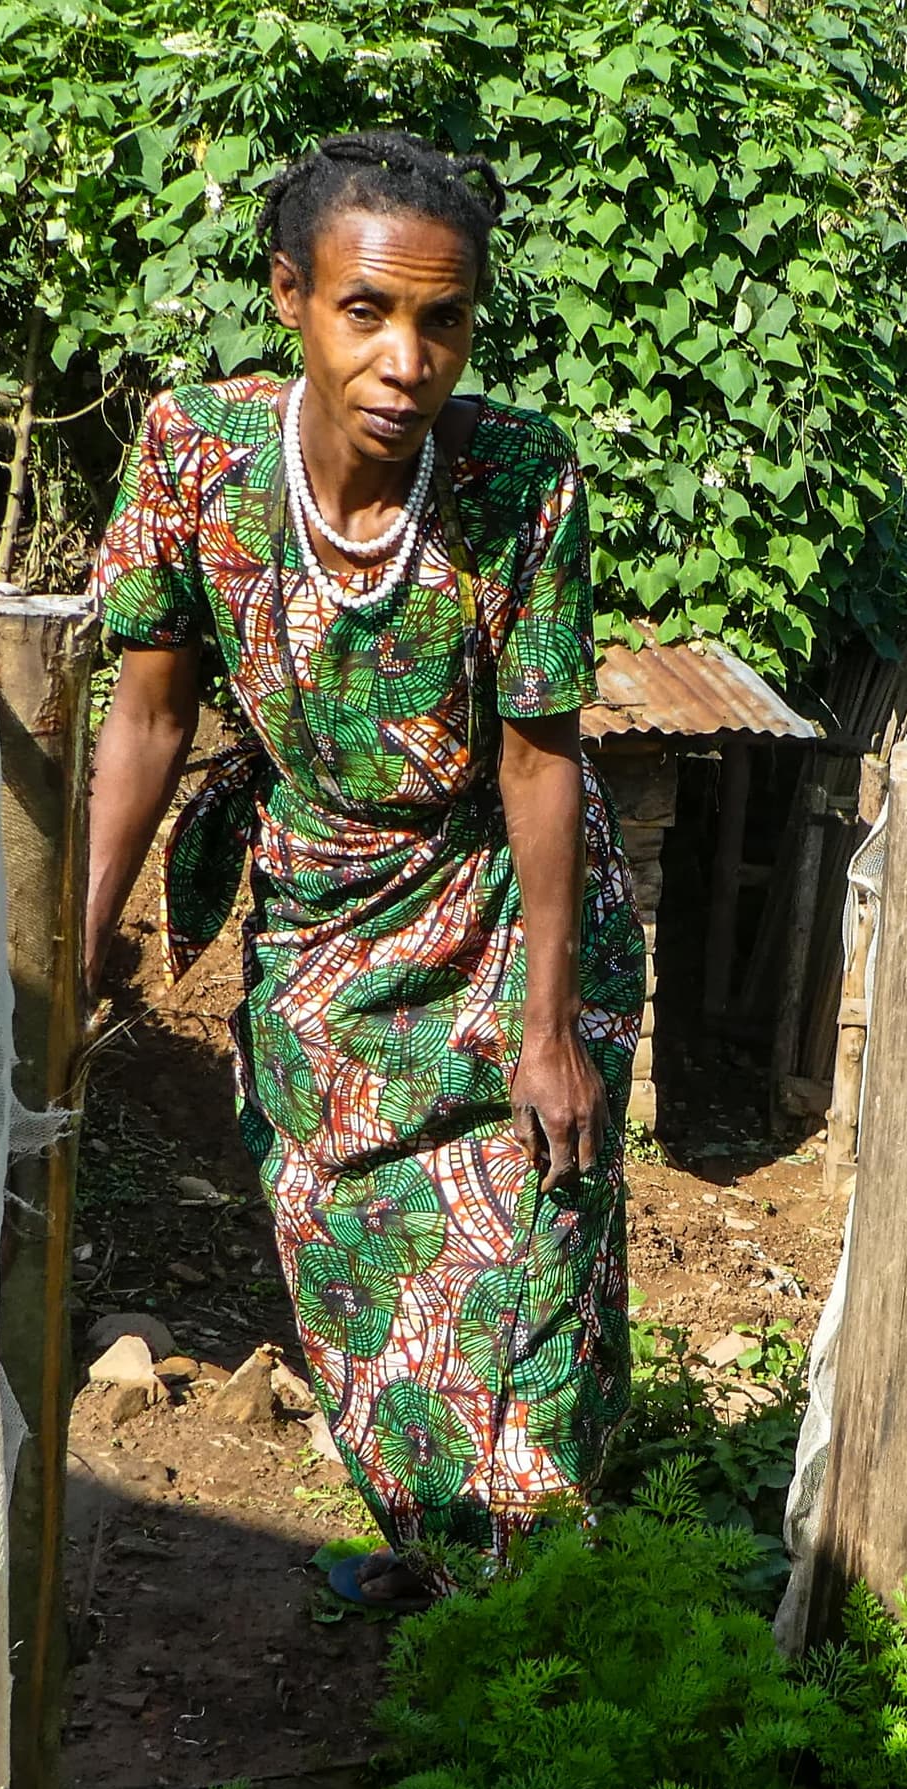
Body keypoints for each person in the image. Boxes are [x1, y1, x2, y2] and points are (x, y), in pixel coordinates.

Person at [82, 130, 644, 1606]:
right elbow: (146, 712)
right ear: (292, 296)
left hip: (503, 913)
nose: (408, 357)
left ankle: (536, 1622)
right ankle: (442, 1544)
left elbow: (538, 761)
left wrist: (548, 1027)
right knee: (341, 1249)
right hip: (320, 917)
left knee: (532, 1252)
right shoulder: (195, 454)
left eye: (443, 320)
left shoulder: (519, 482)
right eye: (368, 311)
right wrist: (76, 936)